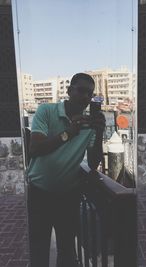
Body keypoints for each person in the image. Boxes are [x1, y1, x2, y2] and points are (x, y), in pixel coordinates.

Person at [26, 73, 105, 267]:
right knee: (39, 250)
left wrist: (100, 131)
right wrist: (69, 133)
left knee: (67, 251)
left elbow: (94, 163)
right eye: (81, 90)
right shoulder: (47, 111)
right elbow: (35, 148)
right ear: (69, 91)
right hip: (39, 194)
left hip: (68, 196)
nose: (86, 97)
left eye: (90, 93)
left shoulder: (90, 125)